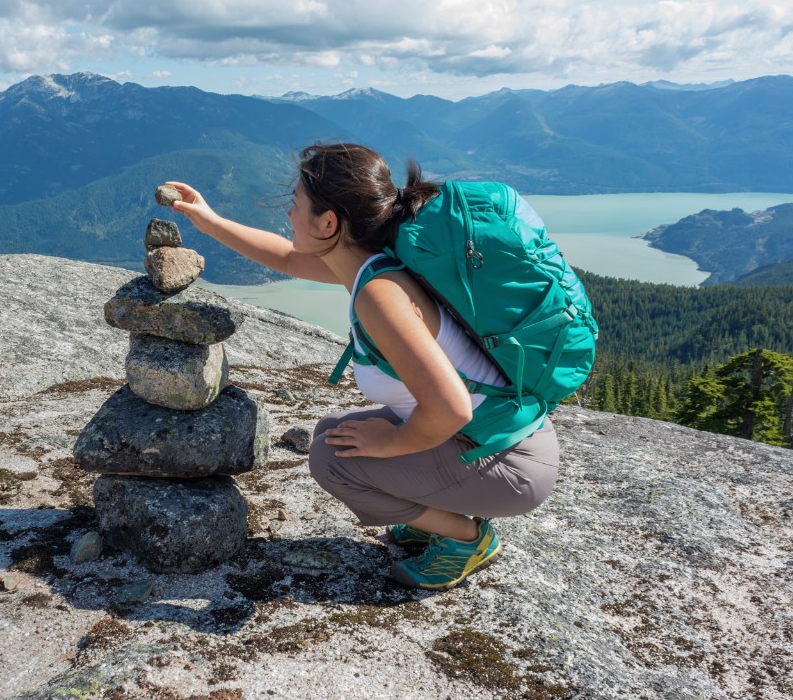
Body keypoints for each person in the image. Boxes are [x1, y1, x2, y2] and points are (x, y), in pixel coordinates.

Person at [166, 142, 559, 590]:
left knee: (333, 460)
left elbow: (452, 409)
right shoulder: (372, 264)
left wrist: (391, 444)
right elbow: (283, 256)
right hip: (497, 443)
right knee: (332, 431)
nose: (289, 216)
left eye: (295, 205)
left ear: (328, 222)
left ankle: (467, 537)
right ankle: (436, 513)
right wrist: (209, 220)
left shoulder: (380, 295)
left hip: (511, 466)